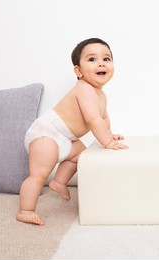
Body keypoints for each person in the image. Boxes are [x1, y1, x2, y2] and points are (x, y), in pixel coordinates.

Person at [16, 38, 128, 225]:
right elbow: (93, 119)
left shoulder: (101, 95)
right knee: (39, 174)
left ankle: (59, 182)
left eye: (106, 59)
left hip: (65, 137)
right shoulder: (84, 89)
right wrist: (107, 142)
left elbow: (103, 118)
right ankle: (25, 210)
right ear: (78, 71)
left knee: (80, 154)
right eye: (92, 59)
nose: (101, 63)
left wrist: (110, 133)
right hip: (47, 133)